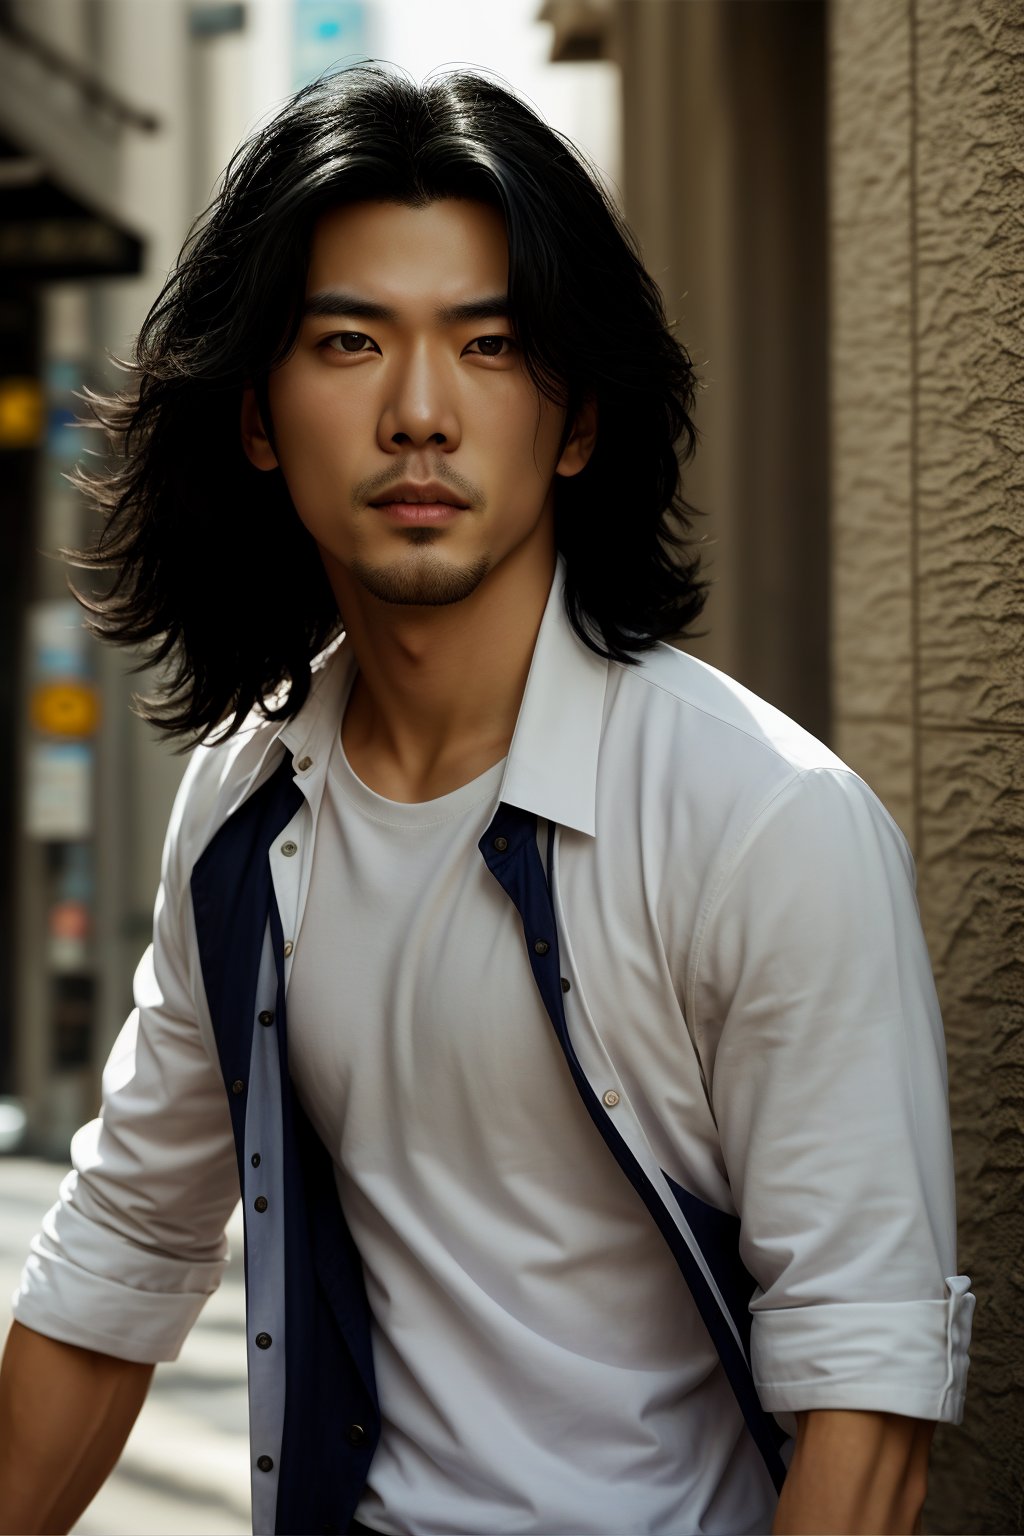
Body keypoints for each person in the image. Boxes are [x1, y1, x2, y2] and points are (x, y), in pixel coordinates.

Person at [0, 62, 973, 1536]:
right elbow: (125, 1249)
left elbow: (870, 1390)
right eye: (347, 341)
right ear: (258, 418)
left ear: (574, 421)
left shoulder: (764, 824)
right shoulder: (243, 809)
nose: (418, 413)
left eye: (490, 344)